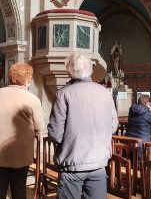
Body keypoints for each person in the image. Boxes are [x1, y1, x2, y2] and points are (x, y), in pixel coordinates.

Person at [48, 52, 119, 199]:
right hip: (99, 164)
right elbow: (113, 126)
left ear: (69, 71)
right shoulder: (105, 92)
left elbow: (55, 133)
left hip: (73, 164)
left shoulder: (64, 94)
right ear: (90, 70)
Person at [0, 63, 45, 199]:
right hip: (20, 153)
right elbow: (40, 126)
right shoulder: (32, 99)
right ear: (27, 80)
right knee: (19, 188)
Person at [125, 94, 151, 160]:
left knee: (131, 164)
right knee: (142, 166)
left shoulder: (132, 109)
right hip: (142, 146)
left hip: (128, 143)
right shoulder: (148, 113)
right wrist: (150, 111)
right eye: (150, 104)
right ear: (147, 103)